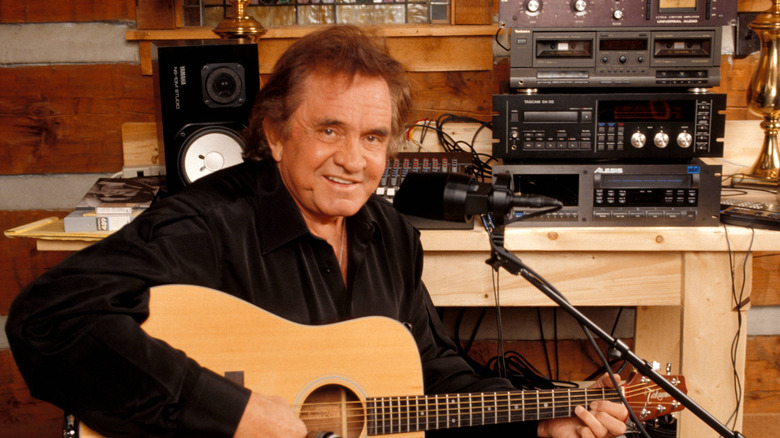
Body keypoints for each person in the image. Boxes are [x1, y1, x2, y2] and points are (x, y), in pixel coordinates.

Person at [6, 25, 628, 438]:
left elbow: (430, 372)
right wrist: (233, 411)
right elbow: (48, 317)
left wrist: (539, 418)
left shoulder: (389, 236)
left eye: (373, 137)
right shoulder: (211, 223)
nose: (353, 160)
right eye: (329, 129)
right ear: (276, 134)